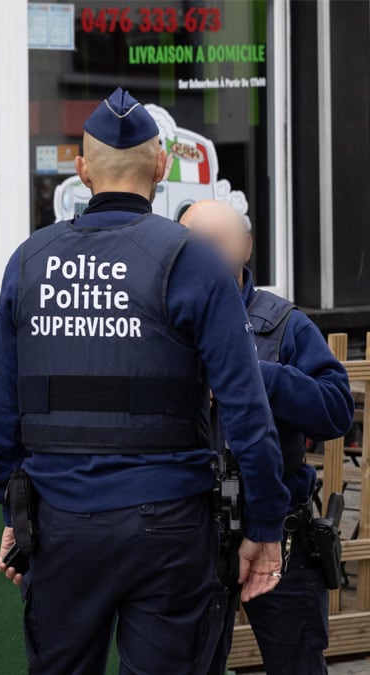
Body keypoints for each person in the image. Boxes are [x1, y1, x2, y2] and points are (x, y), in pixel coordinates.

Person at [0, 89, 291, 675]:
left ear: (81, 168)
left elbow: (1, 411)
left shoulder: (30, 260)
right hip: (169, 526)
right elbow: (247, 409)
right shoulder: (192, 259)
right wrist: (265, 525)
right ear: (161, 165)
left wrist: (11, 512)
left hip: (60, 523)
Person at [182, 200, 354, 675]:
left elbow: (337, 413)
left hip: (282, 533)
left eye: (218, 241)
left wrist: (260, 378)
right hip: (191, 532)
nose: (206, 253)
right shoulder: (166, 321)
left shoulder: (284, 323)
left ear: (246, 246)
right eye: (194, 242)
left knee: (296, 663)